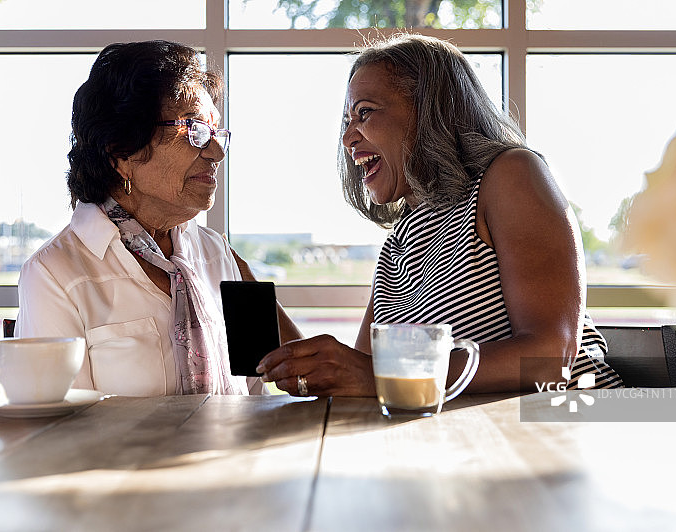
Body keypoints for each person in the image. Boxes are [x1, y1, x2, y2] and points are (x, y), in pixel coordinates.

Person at [257, 33, 623, 396]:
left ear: (429, 108)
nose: (348, 137)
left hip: (575, 428)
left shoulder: (510, 175)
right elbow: (358, 377)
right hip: (475, 445)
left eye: (364, 112)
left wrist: (383, 375)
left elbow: (549, 356)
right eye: (347, 120)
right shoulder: (398, 245)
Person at [16, 40, 300, 397]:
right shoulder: (53, 273)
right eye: (194, 131)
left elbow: (257, 391)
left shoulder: (218, 253)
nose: (215, 153)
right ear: (122, 150)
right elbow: (58, 429)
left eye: (216, 134)